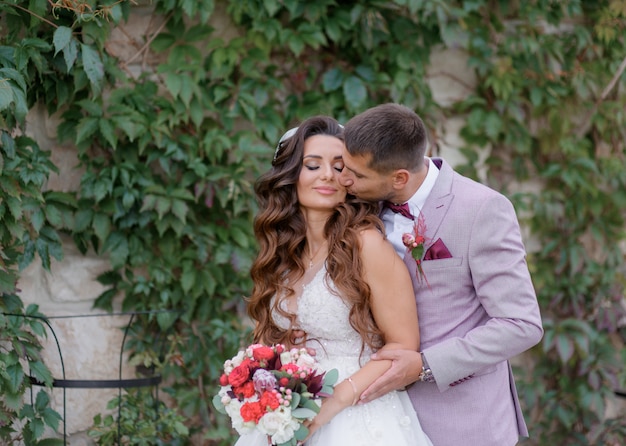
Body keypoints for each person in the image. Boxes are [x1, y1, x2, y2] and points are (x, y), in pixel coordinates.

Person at [338, 103, 544, 446]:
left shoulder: (481, 209)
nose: (344, 180)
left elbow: (521, 325)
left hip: (462, 420)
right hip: (378, 420)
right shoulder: (358, 207)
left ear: (399, 178)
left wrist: (424, 365)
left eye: (356, 175)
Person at [236, 116, 433, 446]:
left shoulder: (366, 244)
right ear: (290, 176)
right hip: (293, 410)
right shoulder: (285, 253)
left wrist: (332, 403)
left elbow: (402, 346)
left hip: (356, 414)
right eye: (313, 166)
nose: (328, 175)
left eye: (340, 166)